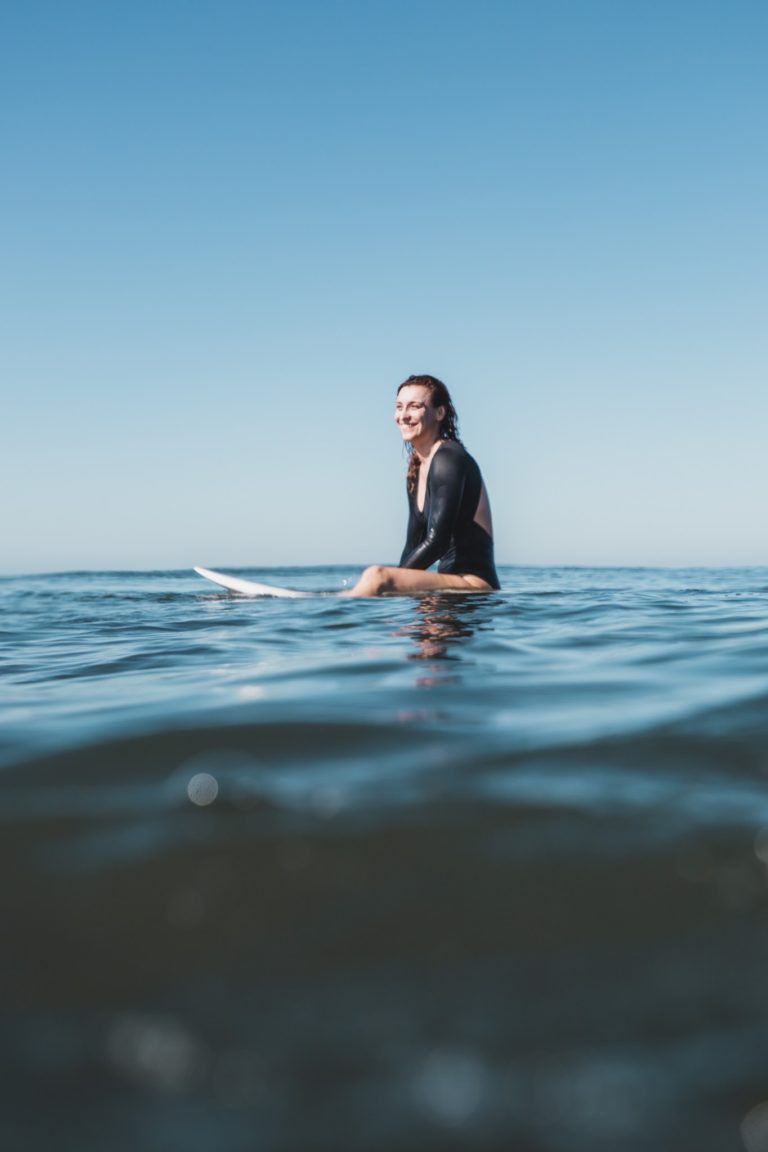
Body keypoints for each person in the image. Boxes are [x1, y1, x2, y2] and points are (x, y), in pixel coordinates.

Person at [346, 374, 500, 597]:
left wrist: (390, 582)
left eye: (414, 407)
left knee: (377, 576)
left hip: (475, 586)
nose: (403, 416)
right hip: (449, 586)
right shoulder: (416, 470)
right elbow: (412, 544)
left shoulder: (449, 458)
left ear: (440, 413)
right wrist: (397, 584)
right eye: (399, 407)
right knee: (382, 579)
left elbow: (437, 542)